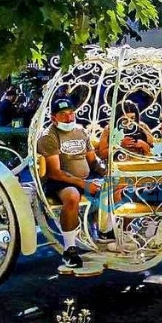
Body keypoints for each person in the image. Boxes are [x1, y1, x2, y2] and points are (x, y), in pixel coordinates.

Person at [37, 97, 105, 269]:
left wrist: (106, 170)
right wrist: (83, 184)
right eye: (63, 115)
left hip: (84, 179)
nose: (68, 118)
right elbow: (55, 172)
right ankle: (70, 249)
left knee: (116, 185)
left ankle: (107, 234)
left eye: (71, 113)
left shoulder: (80, 131)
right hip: (58, 182)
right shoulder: (49, 136)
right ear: (54, 118)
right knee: (73, 196)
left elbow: (93, 161)